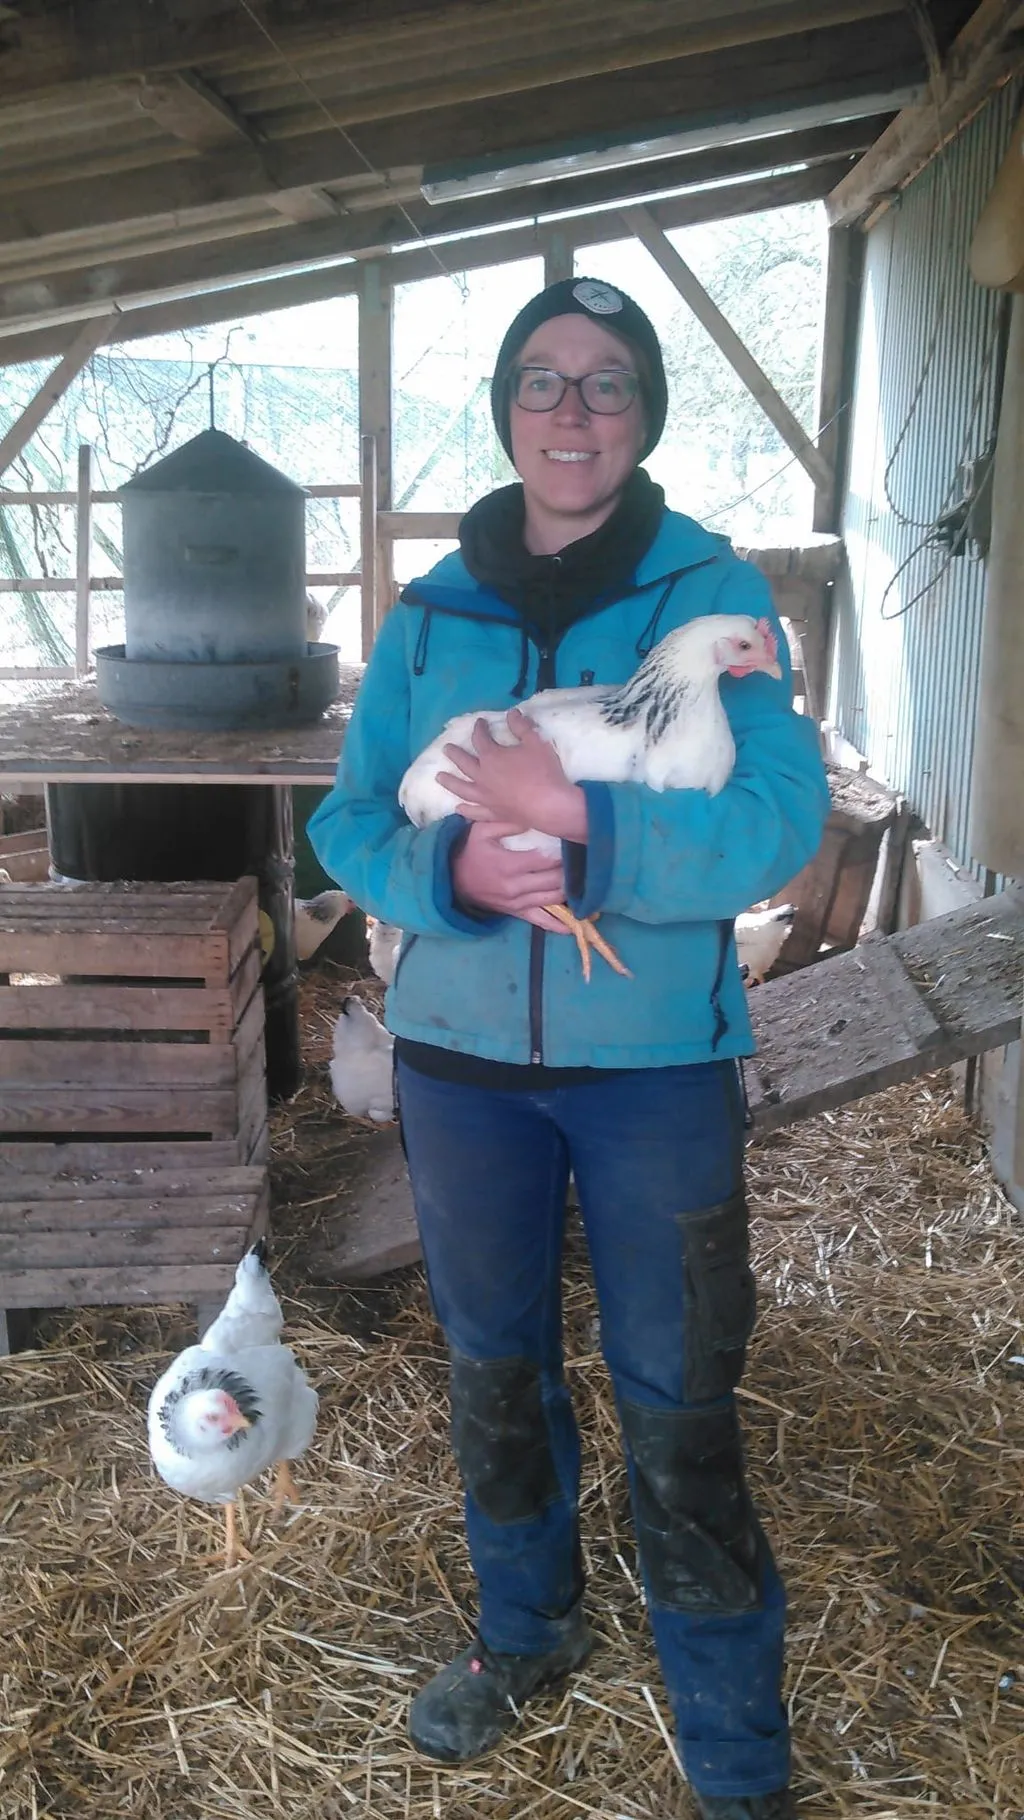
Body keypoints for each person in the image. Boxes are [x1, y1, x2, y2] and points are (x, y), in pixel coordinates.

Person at [308, 276, 830, 1819]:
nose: (574, 410)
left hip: (652, 1074)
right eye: (545, 381)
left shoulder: (714, 595)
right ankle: (527, 1638)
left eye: (608, 383)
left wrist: (571, 823)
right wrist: (447, 880)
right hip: (459, 1067)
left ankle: (735, 1747)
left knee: (680, 1392)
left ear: (647, 412)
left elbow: (776, 828)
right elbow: (350, 818)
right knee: (494, 1366)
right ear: (508, 411)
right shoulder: (424, 616)